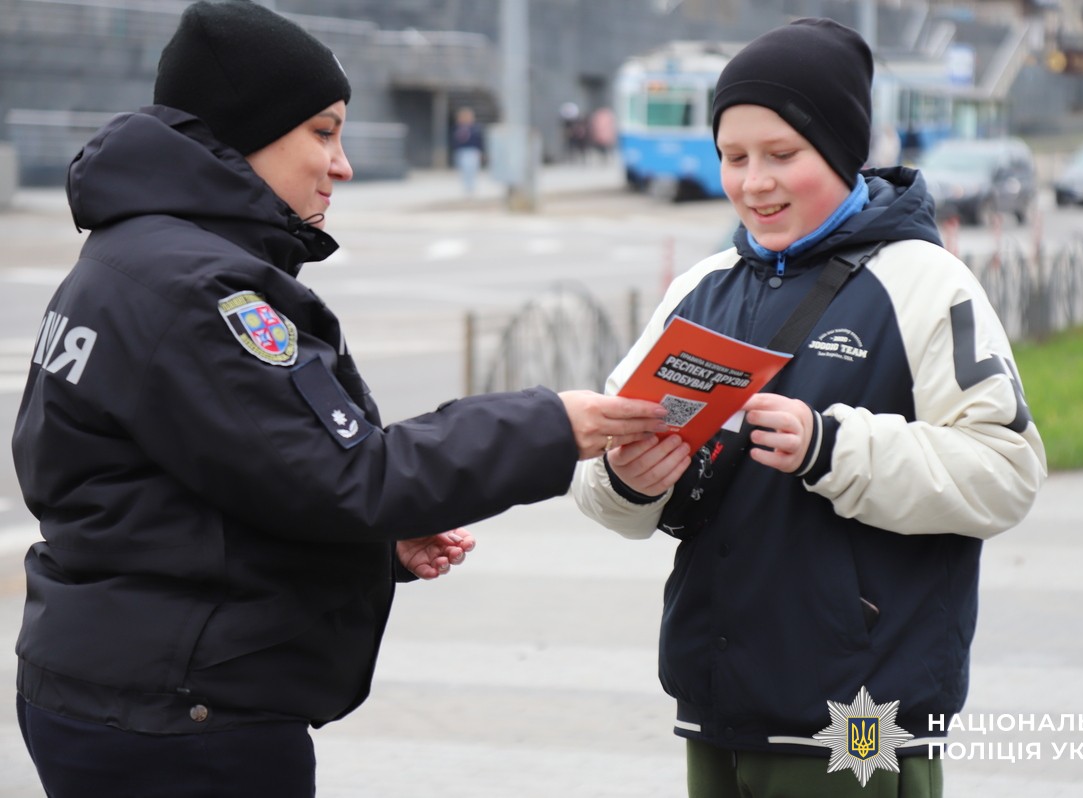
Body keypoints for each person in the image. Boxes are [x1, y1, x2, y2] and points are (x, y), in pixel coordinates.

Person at [10, 2, 667, 796]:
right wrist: (551, 424)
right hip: (180, 717)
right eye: (322, 132)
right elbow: (345, 475)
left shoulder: (128, 253)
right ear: (243, 134)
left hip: (113, 685)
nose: (342, 163)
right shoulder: (200, 286)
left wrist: (371, 550)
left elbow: (198, 492)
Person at [572, 18, 1047, 798]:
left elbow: (1007, 472)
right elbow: (602, 484)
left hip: (859, 725)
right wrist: (629, 478)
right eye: (732, 157)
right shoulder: (701, 287)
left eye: (781, 156)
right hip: (716, 706)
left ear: (839, 148)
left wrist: (834, 448)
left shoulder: (924, 281)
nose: (752, 182)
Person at [450, 105, 485, 196]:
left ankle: (472, 187)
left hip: (472, 151)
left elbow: (479, 141)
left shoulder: (475, 128)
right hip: (462, 151)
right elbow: (455, 141)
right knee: (464, 170)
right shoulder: (458, 128)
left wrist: (480, 151)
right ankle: (466, 187)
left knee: (472, 170)